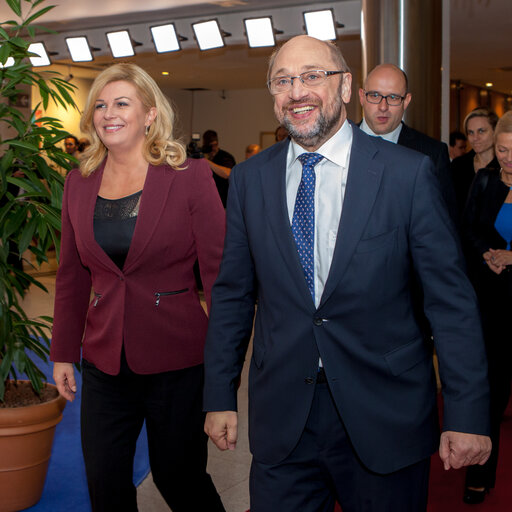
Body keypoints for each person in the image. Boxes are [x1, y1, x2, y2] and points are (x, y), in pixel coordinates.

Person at [203, 35, 491, 512]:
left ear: (344, 86)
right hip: (284, 420)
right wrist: (219, 395)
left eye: (312, 76)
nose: (297, 91)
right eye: (283, 80)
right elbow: (233, 295)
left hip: (385, 414)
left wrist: (466, 413)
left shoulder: (408, 175)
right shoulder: (251, 180)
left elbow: (450, 301)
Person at [50, 63, 226, 512]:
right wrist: (64, 351)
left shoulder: (190, 176)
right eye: (101, 106)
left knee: (179, 479)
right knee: (105, 483)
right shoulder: (78, 182)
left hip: (177, 360)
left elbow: (219, 276)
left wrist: (224, 379)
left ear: (150, 114)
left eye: (122, 103)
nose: (109, 113)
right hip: (105, 360)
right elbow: (71, 274)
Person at [461, 110, 512, 505]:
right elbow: (470, 228)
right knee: (490, 392)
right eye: (502, 150)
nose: (507, 158)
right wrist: (488, 255)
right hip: (491, 300)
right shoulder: (485, 179)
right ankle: (480, 473)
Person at [359, 63, 457, 222]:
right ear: (362, 97)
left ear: (406, 101)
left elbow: (443, 224)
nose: (383, 107)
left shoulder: (431, 153)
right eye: (375, 95)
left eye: (393, 97)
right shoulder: (340, 144)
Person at [451, 107, 499, 217]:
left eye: (481, 131)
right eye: (470, 132)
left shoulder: (505, 166)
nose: (475, 138)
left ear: (495, 131)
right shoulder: (458, 166)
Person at [202, 129, 236, 207]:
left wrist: (207, 162)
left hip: (223, 202)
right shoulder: (204, 156)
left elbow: (228, 173)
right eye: (211, 146)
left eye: (215, 145)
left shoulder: (225, 157)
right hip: (206, 201)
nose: (213, 148)